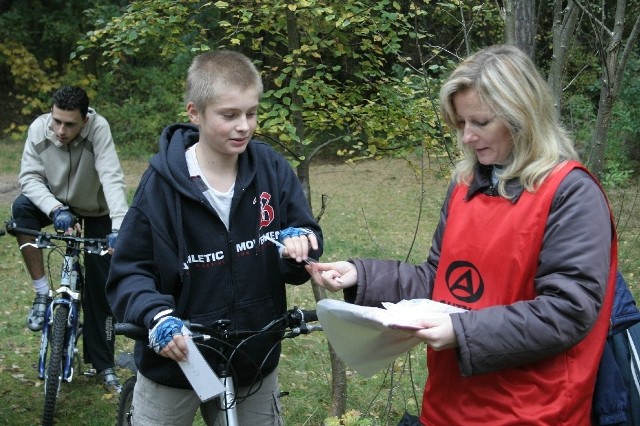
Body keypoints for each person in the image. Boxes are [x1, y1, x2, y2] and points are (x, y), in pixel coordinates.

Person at [308, 44, 617, 425]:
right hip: (448, 405)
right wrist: (363, 275)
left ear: (522, 116)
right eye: (461, 124)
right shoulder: (466, 185)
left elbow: (567, 312)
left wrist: (460, 329)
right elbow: (441, 283)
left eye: (481, 122)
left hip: (533, 410)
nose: (468, 136)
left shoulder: (570, 193)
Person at [106, 50, 323, 425]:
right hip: (176, 361)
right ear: (195, 113)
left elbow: (306, 239)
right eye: (229, 115)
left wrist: (299, 246)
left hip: (251, 358)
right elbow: (129, 270)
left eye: (251, 113)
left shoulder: (272, 169)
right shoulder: (160, 186)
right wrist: (156, 317)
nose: (244, 126)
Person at [11, 85, 128, 392]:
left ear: (85, 121)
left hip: (95, 208)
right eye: (56, 121)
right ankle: (40, 293)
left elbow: (111, 176)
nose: (61, 130)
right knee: (21, 208)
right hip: (56, 204)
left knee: (100, 290)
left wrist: (119, 227)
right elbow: (28, 178)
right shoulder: (40, 129)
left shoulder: (98, 129)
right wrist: (54, 209)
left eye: (70, 124)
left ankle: (103, 365)